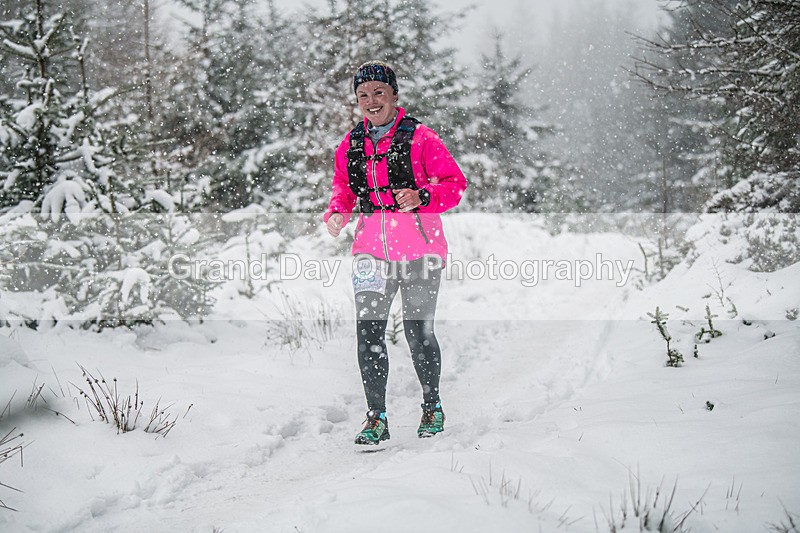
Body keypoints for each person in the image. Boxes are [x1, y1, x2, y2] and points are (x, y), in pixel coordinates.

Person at [324, 60, 468, 445]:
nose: (371, 101)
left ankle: (432, 406)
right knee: (368, 334)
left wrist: (423, 196)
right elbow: (343, 185)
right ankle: (376, 417)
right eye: (363, 95)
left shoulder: (421, 138)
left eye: (378, 93)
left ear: (394, 95)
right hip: (370, 252)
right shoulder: (352, 143)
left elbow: (456, 183)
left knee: (418, 332)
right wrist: (338, 210)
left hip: (420, 251)